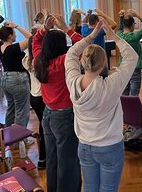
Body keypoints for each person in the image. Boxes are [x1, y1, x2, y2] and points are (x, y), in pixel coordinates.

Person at [65, 19, 138, 192]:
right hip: (109, 146)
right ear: (105, 63)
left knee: (90, 188)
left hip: (84, 146)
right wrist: (114, 36)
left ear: (83, 62)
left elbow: (71, 54)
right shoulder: (111, 85)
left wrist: (90, 37)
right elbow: (132, 57)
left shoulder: (72, 81)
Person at [33, 14, 82, 192]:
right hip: (64, 116)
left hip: (48, 114)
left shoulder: (38, 61)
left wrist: (44, 30)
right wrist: (67, 28)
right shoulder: (64, 61)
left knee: (53, 158)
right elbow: (83, 45)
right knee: (68, 159)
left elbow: (35, 43)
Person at [0, 22, 31, 127]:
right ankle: (20, 139)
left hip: (6, 79)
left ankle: (9, 134)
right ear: (10, 36)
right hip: (17, 79)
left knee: (11, 108)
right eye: (14, 33)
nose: (16, 35)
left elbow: (0, 33)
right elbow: (30, 37)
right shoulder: (13, 48)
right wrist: (16, 26)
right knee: (22, 110)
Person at [22, 36, 46, 169]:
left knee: (43, 125)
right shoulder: (40, 60)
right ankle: (43, 158)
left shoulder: (27, 59)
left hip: (34, 96)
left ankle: (44, 157)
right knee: (44, 127)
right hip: (42, 96)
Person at [117, 9, 142, 96]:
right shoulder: (134, 37)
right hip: (134, 68)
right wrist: (137, 15)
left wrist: (121, 18)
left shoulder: (119, 35)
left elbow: (121, 28)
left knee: (124, 93)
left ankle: (125, 109)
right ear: (132, 25)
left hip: (123, 67)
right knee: (134, 95)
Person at [81, 9, 117, 77]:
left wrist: (88, 14)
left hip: (87, 60)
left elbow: (83, 21)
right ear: (97, 22)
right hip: (100, 62)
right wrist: (102, 14)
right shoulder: (99, 31)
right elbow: (114, 24)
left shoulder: (84, 30)